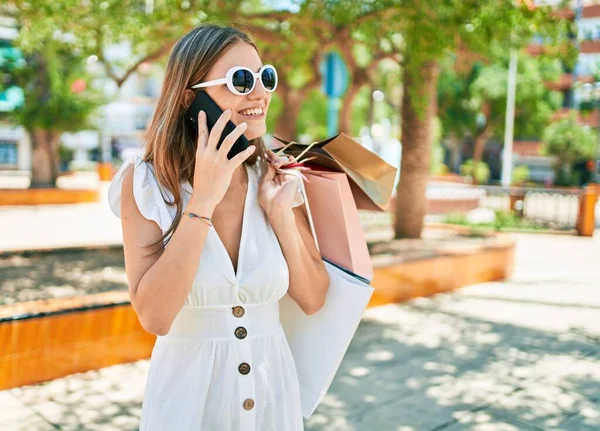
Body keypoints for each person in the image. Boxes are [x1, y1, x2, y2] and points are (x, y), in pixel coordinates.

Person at [107, 23, 330, 431]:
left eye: (266, 77)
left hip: (272, 405)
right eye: (241, 81)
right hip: (188, 406)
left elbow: (314, 298)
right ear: (191, 99)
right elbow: (155, 316)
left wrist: (279, 215)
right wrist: (203, 201)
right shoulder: (145, 182)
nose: (261, 94)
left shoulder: (274, 175)